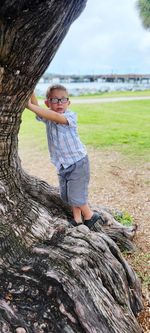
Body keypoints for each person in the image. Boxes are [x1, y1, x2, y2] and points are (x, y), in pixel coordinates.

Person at [27, 84, 101, 228]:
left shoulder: (70, 116)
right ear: (47, 103)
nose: (59, 103)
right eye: (54, 100)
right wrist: (31, 91)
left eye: (63, 100)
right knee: (67, 194)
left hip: (78, 162)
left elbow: (55, 116)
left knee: (76, 194)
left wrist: (28, 106)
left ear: (69, 102)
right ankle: (77, 219)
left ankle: (90, 216)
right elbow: (38, 108)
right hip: (62, 164)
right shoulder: (47, 116)